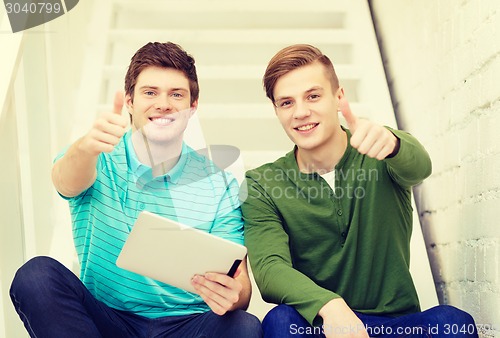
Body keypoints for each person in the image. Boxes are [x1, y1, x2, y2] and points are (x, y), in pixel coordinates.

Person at [10, 41, 262, 338]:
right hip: (107, 320)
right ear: (129, 101)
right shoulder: (95, 154)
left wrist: (235, 294)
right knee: (36, 276)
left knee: (244, 326)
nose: (163, 103)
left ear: (193, 106)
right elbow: (64, 181)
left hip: (187, 324)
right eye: (150, 92)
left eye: (176, 94)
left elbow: (241, 288)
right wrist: (86, 148)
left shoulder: (220, 184)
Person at [240, 44, 478, 338]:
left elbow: (419, 167)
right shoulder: (262, 183)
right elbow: (269, 269)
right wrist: (329, 305)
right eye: (286, 103)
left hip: (398, 326)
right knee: (280, 320)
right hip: (323, 326)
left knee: (451, 321)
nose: (300, 112)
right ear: (276, 110)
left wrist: (393, 144)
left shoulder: (381, 151)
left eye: (313, 96)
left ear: (338, 97)